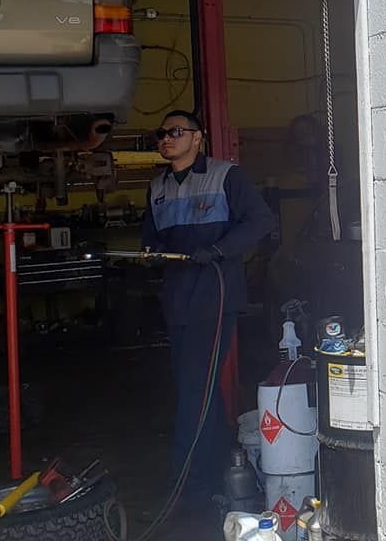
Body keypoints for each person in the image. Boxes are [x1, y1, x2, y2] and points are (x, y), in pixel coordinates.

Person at [141, 109, 275, 503]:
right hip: (178, 301)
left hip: (214, 298)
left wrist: (218, 250)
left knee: (193, 390)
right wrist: (151, 254)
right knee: (198, 388)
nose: (166, 138)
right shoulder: (157, 188)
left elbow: (260, 221)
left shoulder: (225, 176)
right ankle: (224, 468)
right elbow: (151, 238)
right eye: (161, 134)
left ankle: (188, 484)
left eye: (175, 132)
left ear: (198, 138)